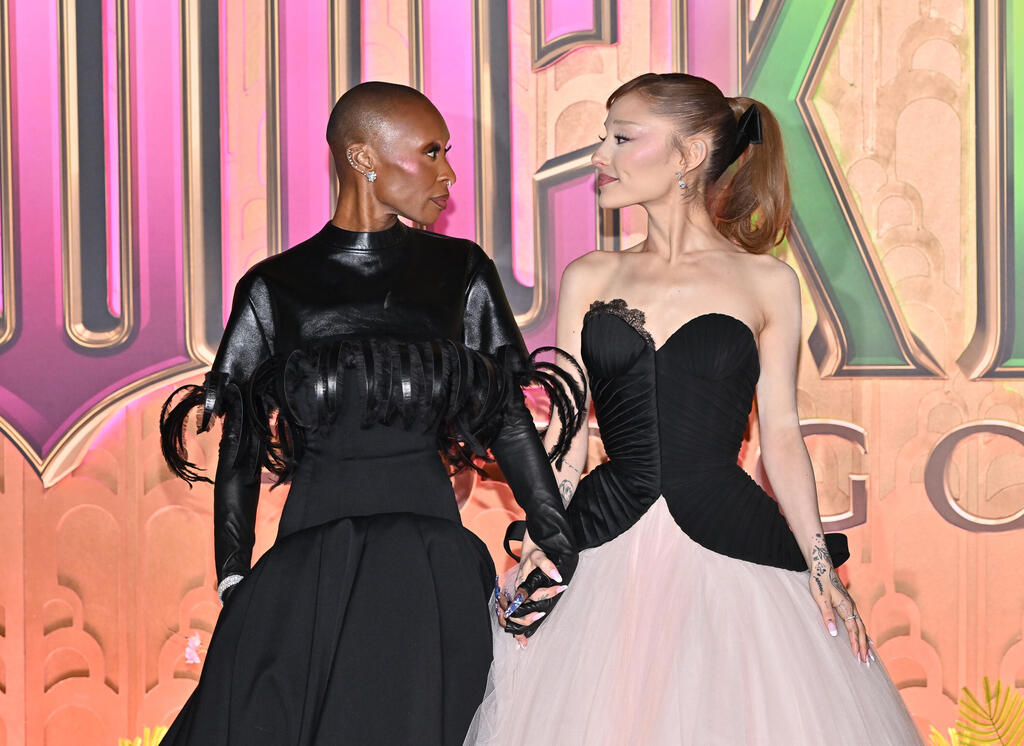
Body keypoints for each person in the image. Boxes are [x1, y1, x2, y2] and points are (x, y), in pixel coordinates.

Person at [466, 73, 922, 745]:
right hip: (604, 545)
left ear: (687, 155)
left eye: (622, 138)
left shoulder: (767, 281)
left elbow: (783, 436)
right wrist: (544, 531)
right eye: (602, 137)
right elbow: (568, 435)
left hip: (732, 546)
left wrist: (822, 568)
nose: (599, 156)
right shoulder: (591, 275)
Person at [158, 81, 582, 745]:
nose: (447, 174)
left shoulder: (460, 272)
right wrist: (235, 575)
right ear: (363, 158)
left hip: (431, 565)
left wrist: (552, 530)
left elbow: (504, 414)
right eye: (431, 151)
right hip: (311, 568)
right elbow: (240, 446)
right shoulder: (277, 288)